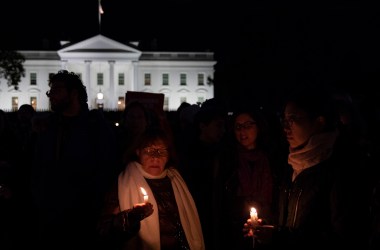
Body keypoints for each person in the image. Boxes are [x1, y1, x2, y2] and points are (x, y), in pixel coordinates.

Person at [243, 86, 368, 250]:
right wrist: (268, 227)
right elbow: (288, 220)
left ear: (319, 122)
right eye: (284, 120)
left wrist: (280, 237)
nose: (286, 127)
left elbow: (346, 237)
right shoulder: (291, 164)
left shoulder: (341, 167)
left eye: (293, 119)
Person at [30, 70, 118, 250]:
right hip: (49, 216)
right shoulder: (47, 127)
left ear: (74, 93)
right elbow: (35, 167)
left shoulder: (96, 128)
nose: (51, 95)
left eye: (57, 90)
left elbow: (107, 170)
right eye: (50, 91)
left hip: (84, 216)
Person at [97, 127, 205, 250]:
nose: (155, 158)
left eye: (161, 151)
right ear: (138, 152)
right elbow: (104, 230)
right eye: (149, 151)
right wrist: (129, 219)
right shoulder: (123, 184)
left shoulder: (177, 180)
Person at [220, 107, 280, 249]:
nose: (242, 131)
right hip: (237, 232)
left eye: (248, 125)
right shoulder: (228, 160)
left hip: (270, 229)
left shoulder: (273, 158)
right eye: (238, 127)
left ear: (259, 126)